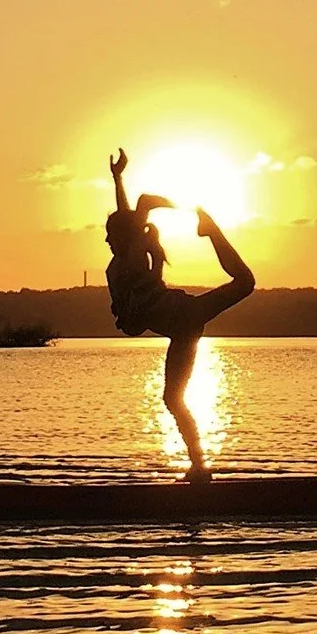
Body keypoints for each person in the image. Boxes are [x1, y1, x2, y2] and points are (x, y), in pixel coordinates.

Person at [106, 148, 256, 482]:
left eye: (110, 234)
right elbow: (125, 223)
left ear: (123, 235)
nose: (105, 239)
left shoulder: (130, 257)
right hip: (183, 325)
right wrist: (117, 178)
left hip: (184, 316)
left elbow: (126, 218)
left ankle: (209, 228)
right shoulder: (117, 266)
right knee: (172, 398)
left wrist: (119, 180)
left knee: (245, 283)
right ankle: (199, 467)